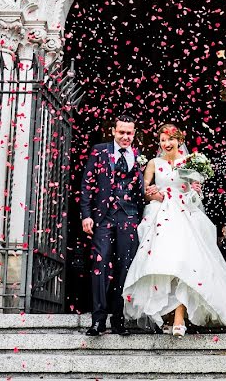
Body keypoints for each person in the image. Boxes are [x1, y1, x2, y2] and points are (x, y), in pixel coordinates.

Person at [122, 123, 226, 335]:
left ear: (180, 141)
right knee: (164, 265)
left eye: (170, 140)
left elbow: (195, 196)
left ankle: (179, 315)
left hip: (185, 214)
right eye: (163, 140)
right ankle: (170, 315)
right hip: (161, 215)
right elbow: (144, 192)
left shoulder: (191, 162)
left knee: (186, 263)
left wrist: (196, 190)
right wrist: (154, 193)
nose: (166, 144)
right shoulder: (153, 163)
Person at [80, 113, 146, 337]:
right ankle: (98, 321)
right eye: (121, 132)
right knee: (100, 267)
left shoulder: (138, 156)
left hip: (129, 217)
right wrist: (86, 215)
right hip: (103, 218)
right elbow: (87, 183)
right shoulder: (100, 151)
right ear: (113, 132)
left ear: (134, 133)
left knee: (124, 269)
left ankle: (119, 320)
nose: (125, 137)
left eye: (129, 133)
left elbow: (142, 191)